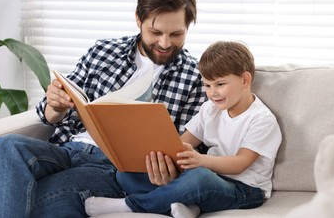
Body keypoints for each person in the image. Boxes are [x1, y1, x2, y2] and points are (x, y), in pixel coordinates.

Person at [0, 0, 207, 218]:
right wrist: (55, 105)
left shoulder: (196, 78)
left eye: (176, 34)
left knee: (38, 199)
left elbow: (191, 149)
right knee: (2, 147)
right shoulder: (103, 51)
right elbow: (49, 114)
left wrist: (169, 170)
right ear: (138, 19)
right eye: (155, 32)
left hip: (115, 169)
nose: (165, 43)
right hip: (67, 150)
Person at [85, 41, 283, 218]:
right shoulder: (210, 109)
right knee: (126, 174)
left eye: (220, 84)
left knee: (199, 178)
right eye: (207, 85)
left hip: (244, 190)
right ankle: (188, 204)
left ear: (245, 80)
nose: (212, 93)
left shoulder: (261, 120)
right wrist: (164, 162)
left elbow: (240, 163)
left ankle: (133, 206)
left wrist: (200, 160)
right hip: (209, 178)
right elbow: (181, 144)